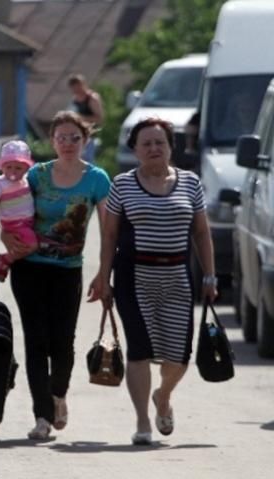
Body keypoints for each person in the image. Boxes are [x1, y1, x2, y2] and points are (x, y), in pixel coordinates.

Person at [87, 117, 217, 446]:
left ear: (171, 147)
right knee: (139, 351)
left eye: (160, 142)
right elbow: (110, 235)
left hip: (177, 277)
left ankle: (163, 394)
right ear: (135, 150)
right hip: (134, 276)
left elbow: (201, 232)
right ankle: (143, 421)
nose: (154, 148)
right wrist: (104, 277)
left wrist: (211, 275)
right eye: (146, 143)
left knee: (179, 356)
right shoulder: (124, 184)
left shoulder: (190, 183)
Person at [2, 111, 111, 440]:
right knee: (36, 341)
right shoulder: (36, 175)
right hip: (29, 268)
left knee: (62, 343)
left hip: (68, 271)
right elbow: (12, 213)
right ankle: (42, 417)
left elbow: (109, 231)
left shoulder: (97, 179)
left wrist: (104, 274)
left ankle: (58, 394)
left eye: (74, 138)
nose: (67, 144)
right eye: (61, 138)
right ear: (52, 141)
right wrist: (7, 239)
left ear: (85, 141)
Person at [0, 140, 37, 282]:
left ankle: (9, 258)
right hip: (14, 223)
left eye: (18, 168)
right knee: (32, 245)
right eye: (9, 167)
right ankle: (6, 259)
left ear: (26, 168)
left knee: (23, 246)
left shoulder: (26, 181)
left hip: (27, 222)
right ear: (2, 167)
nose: (13, 172)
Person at [67, 73, 104, 164]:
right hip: (77, 136)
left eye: (78, 85)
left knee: (88, 162)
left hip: (91, 136)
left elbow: (99, 119)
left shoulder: (92, 99)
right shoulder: (74, 100)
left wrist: (81, 118)